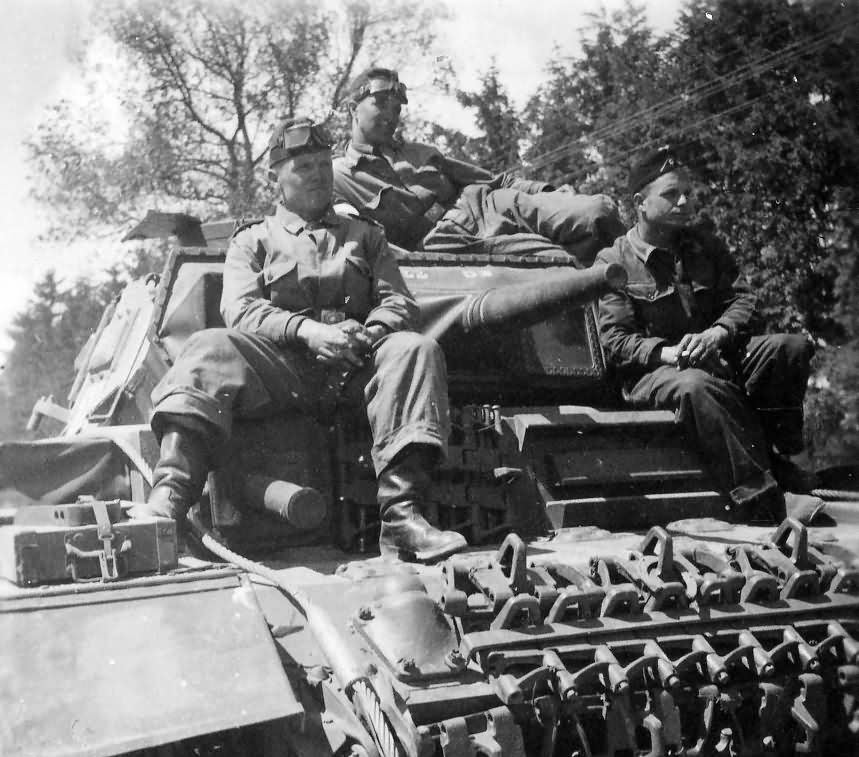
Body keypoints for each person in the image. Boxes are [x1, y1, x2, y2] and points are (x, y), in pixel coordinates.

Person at [138, 116, 467, 563]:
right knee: (210, 347)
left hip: (356, 365)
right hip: (283, 368)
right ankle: (169, 503)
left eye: (322, 164)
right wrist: (308, 332)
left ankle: (403, 519)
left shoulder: (366, 236)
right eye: (303, 167)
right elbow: (242, 310)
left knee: (416, 348)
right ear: (278, 177)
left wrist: (367, 332)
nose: (317, 174)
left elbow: (399, 304)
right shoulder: (252, 241)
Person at [596, 146, 814, 521]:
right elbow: (614, 340)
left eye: (688, 193)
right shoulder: (613, 262)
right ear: (640, 203)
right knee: (695, 385)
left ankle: (777, 458)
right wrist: (669, 354)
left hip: (715, 354)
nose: (684, 201)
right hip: (652, 375)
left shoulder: (704, 245)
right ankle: (762, 499)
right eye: (670, 194)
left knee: (789, 348)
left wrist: (716, 334)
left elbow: (743, 300)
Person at [332, 67, 624, 263]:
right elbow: (358, 241)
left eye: (396, 109)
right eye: (381, 104)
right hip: (447, 246)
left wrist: (550, 192)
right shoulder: (338, 176)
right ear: (351, 109)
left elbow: (498, 181)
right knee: (564, 268)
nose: (391, 115)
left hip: (493, 206)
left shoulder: (422, 152)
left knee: (598, 211)